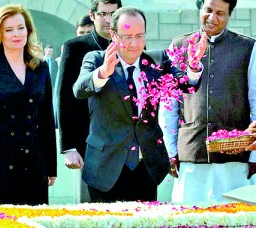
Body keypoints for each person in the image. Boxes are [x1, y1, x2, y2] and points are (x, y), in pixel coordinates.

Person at [72, 6, 206, 202]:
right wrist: (102, 74)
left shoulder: (157, 60)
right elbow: (79, 90)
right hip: (105, 167)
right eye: (127, 37)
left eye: (139, 36)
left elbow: (187, 85)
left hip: (146, 167)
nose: (134, 44)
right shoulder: (96, 59)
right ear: (113, 34)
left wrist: (193, 66)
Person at [159, 0, 256, 203]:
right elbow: (169, 105)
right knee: (188, 219)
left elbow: (255, 102)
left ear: (230, 15)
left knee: (236, 219)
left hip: (235, 157)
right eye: (208, 10)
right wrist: (170, 150)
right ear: (200, 9)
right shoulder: (178, 47)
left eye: (220, 13)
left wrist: (255, 156)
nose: (212, 18)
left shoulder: (247, 47)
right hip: (191, 151)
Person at [0, 3, 57, 206]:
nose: (16, 34)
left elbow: (47, 119)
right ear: (0, 34)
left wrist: (51, 166)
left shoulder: (40, 68)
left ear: (28, 30)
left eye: (21, 27)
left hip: (33, 160)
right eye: (9, 29)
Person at [57, 0, 122, 171]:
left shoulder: (132, 44)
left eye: (113, 14)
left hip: (124, 141)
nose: (108, 20)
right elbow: (64, 97)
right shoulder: (75, 47)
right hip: (87, 140)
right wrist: (68, 147)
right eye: (102, 14)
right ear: (92, 16)